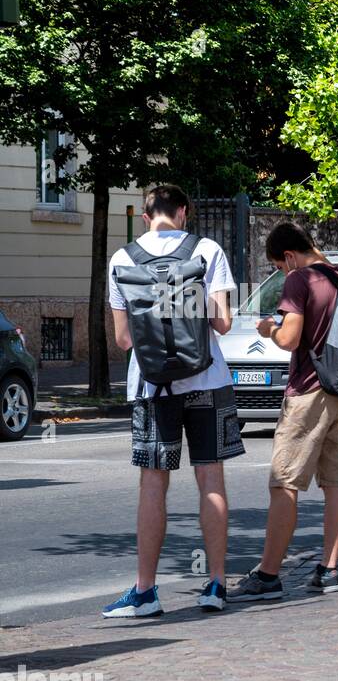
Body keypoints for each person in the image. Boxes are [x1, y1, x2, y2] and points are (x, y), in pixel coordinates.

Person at [103, 184, 243, 617]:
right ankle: (217, 584)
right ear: (183, 212)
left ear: (146, 217)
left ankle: (146, 591)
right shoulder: (207, 250)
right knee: (211, 480)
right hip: (207, 380)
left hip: (151, 386)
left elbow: (124, 339)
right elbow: (222, 323)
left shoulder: (122, 259)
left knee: (152, 486)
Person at [228, 223, 338, 602]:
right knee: (336, 483)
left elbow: (291, 337)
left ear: (288, 256)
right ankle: (329, 570)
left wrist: (269, 328)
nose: (283, 273)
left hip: (309, 393)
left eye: (280, 266)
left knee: (284, 482)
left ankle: (268, 575)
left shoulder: (300, 279)